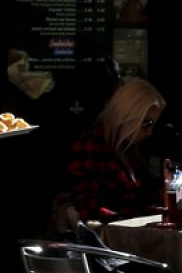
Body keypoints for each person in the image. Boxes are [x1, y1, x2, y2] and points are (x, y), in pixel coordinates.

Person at [65, 78, 166, 221]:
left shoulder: (129, 149)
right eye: (146, 123)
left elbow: (136, 200)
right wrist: (124, 220)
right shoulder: (91, 145)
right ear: (129, 115)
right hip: (106, 238)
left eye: (152, 125)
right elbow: (88, 208)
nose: (150, 132)